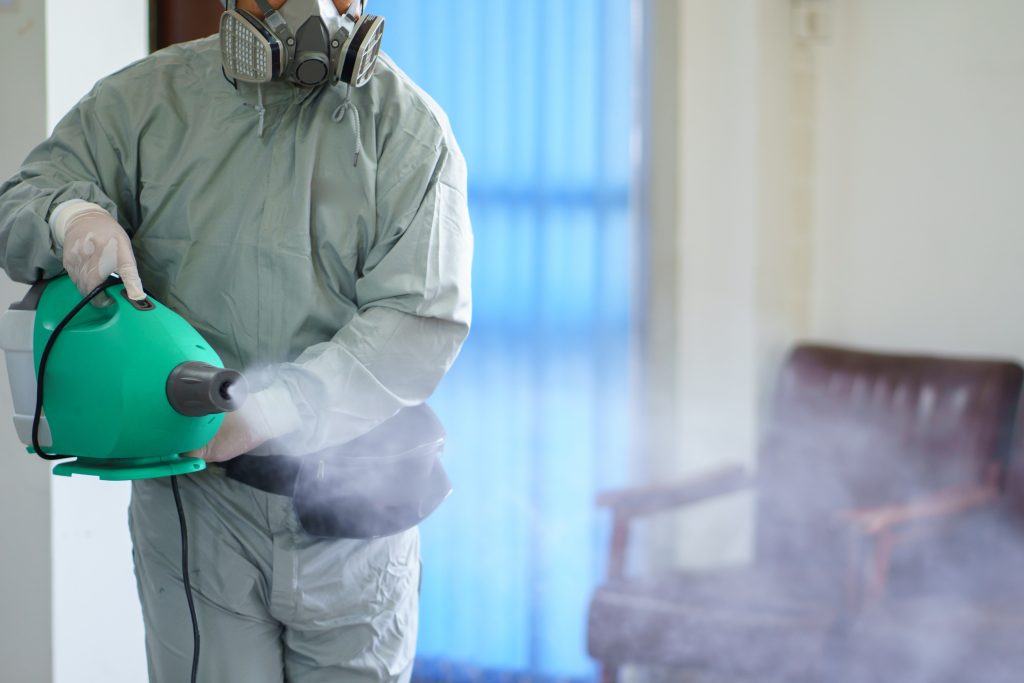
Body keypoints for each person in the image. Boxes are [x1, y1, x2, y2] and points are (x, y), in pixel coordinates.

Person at [0, 0, 473, 680]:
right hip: (199, 511)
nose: (311, 8)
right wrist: (72, 216)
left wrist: (278, 407)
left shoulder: (409, 130)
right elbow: (23, 195)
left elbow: (419, 318)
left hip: (354, 508)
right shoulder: (146, 102)